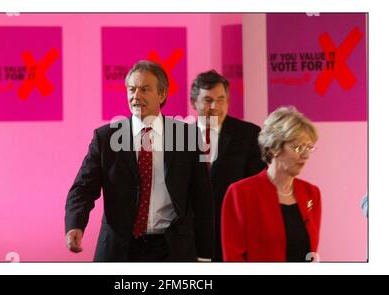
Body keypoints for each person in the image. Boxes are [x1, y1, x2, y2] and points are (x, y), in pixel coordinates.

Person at [65, 60, 213, 261]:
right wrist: (75, 224)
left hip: (172, 250)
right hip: (119, 249)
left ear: (162, 95)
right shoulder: (106, 138)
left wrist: (205, 255)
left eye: (145, 89)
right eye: (132, 89)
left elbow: (202, 198)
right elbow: (83, 188)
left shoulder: (187, 137)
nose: (136, 96)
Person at [221, 106, 321, 262]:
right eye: (298, 147)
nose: (306, 155)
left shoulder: (311, 193)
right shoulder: (240, 193)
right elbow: (233, 258)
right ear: (274, 148)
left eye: (309, 147)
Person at [190, 70, 265, 261]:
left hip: (234, 236)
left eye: (221, 99)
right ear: (194, 103)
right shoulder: (180, 137)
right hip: (191, 241)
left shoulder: (248, 135)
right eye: (208, 100)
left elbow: (257, 188)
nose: (215, 106)